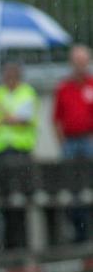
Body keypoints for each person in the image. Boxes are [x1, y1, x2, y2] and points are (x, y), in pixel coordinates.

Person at [0, 62, 38, 248]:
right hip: (1, 151)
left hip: (21, 151)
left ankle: (24, 241)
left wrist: (1, 111)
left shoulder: (27, 92)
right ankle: (8, 242)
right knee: (4, 197)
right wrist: (7, 118)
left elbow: (23, 119)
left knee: (21, 197)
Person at [53, 44, 93, 242]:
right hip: (70, 142)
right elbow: (57, 119)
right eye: (76, 62)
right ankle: (79, 232)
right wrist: (63, 142)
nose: (80, 66)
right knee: (73, 190)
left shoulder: (92, 84)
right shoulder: (63, 87)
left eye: (83, 61)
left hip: (89, 140)